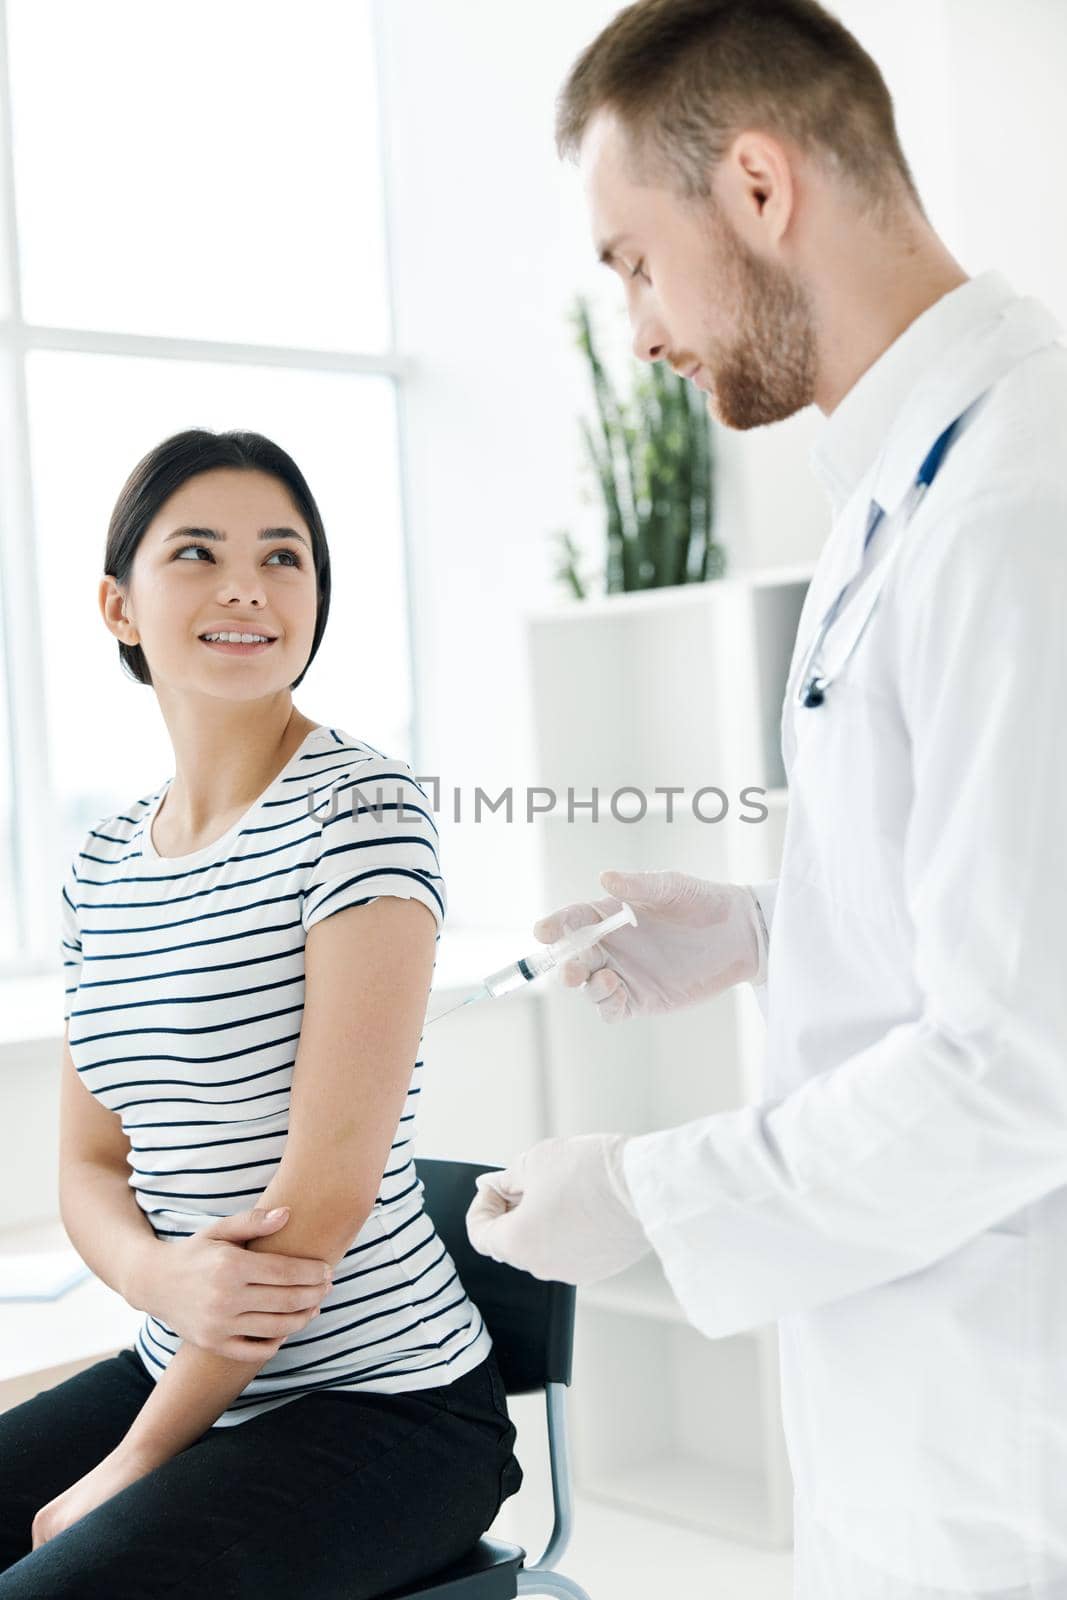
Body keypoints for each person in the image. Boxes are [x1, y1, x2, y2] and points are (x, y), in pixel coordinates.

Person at [465, 2, 1067, 1595]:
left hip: (1012, 1454)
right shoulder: (900, 491)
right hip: (914, 1409)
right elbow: (986, 902)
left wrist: (648, 1194)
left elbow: (1023, 1059)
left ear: (751, 184)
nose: (639, 327)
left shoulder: (1020, 504)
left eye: (629, 261)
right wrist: (761, 926)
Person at [0, 429, 522, 1598]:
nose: (247, 584)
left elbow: (314, 1217)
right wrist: (157, 1279)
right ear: (119, 606)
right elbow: (88, 1162)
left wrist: (129, 1464)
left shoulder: (363, 812)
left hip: (388, 1411)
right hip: (178, 1363)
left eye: (283, 558)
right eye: (197, 551)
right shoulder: (100, 862)